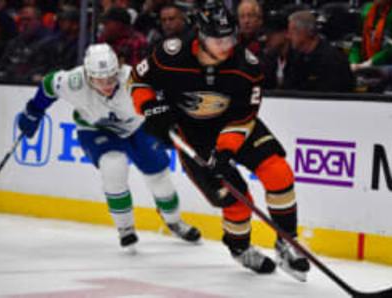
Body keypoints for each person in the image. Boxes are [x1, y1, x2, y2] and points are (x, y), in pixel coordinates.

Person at [130, 0, 310, 280]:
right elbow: (138, 82)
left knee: (278, 171)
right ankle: (240, 249)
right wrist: (151, 109)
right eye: (218, 39)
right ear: (201, 36)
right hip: (193, 136)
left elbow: (243, 118)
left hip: (234, 126)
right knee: (236, 199)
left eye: (230, 37)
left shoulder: (247, 66)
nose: (226, 45)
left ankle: (287, 243)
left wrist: (225, 151)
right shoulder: (170, 54)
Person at [17, 43, 201, 248]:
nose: (107, 85)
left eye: (111, 78)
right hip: (95, 128)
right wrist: (33, 111)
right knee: (113, 166)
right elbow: (49, 84)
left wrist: (168, 120)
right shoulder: (74, 82)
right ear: (88, 74)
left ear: (118, 70)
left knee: (159, 176)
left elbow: (163, 99)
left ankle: (174, 221)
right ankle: (126, 228)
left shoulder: (134, 80)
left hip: (137, 127)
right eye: (99, 80)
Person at [283, 10, 354, 92]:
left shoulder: (332, 60)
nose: (288, 36)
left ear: (307, 32)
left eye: (292, 31)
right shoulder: (296, 58)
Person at [348, 0, 392, 72]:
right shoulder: (367, 10)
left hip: (387, 63)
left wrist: (369, 63)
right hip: (364, 61)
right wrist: (353, 62)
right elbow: (357, 42)